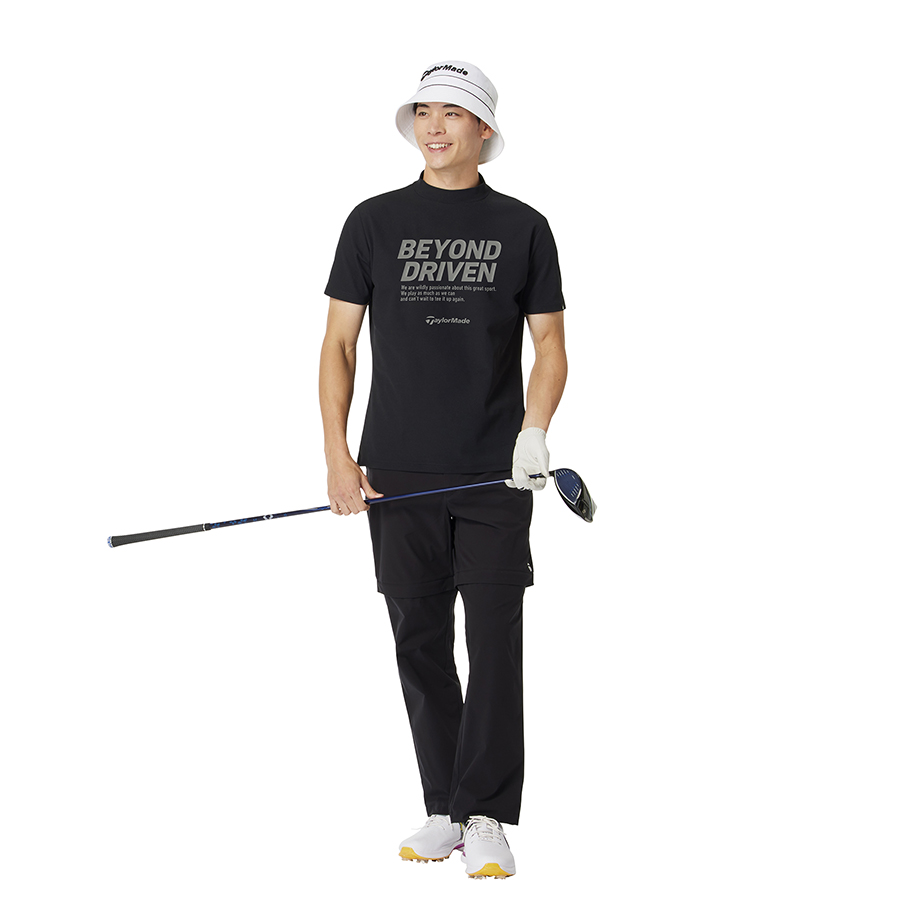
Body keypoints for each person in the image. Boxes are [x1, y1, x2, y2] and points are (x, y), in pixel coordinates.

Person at [318, 60, 567, 879]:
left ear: (482, 128)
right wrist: (338, 456)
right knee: (419, 643)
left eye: (453, 113)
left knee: (493, 645)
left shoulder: (524, 227)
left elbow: (550, 346)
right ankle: (446, 807)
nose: (434, 125)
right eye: (423, 111)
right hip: (396, 473)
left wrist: (534, 433)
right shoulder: (373, 222)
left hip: (495, 478)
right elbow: (339, 345)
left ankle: (486, 813)